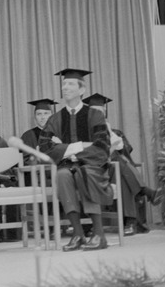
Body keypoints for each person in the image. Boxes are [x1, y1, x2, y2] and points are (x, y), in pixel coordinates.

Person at [36, 69, 113, 252]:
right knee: (62, 176)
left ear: (81, 90)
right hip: (66, 166)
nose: (65, 88)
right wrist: (77, 147)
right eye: (64, 84)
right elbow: (45, 146)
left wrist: (66, 149)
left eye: (70, 84)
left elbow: (102, 145)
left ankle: (99, 235)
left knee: (83, 173)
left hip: (92, 166)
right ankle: (77, 234)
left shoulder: (95, 115)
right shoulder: (55, 118)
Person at [82, 93, 164, 236]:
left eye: (100, 112)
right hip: (96, 171)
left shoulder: (115, 132)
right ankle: (145, 194)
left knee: (120, 169)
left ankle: (132, 221)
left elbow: (126, 151)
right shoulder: (85, 135)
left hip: (114, 171)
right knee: (119, 164)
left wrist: (109, 134)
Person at [21, 99, 56, 164]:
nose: (42, 117)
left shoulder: (59, 133)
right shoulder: (28, 136)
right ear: (35, 117)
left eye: (46, 113)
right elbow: (25, 160)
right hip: (39, 172)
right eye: (39, 114)